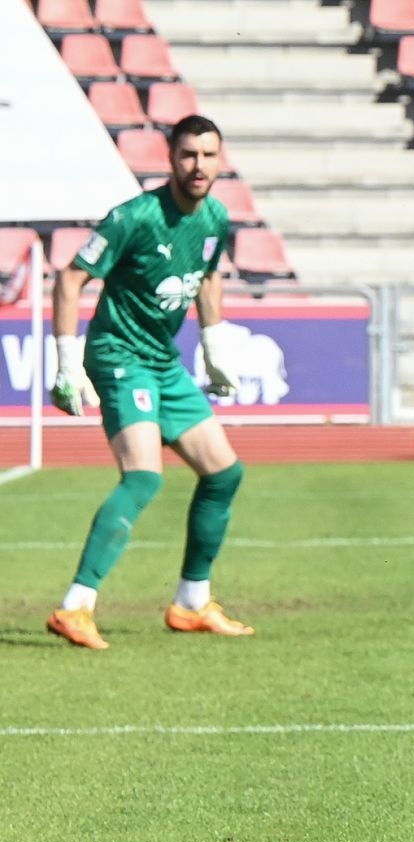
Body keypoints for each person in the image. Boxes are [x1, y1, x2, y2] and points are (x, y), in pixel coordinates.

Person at [46, 114, 250, 650]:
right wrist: (67, 361)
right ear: (171, 159)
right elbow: (70, 278)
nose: (198, 165)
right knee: (143, 478)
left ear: (220, 159)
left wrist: (213, 342)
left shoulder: (215, 219)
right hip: (119, 356)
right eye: (188, 155)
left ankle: (191, 602)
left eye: (208, 155)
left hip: (162, 361)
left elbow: (206, 275)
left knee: (224, 473)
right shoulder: (135, 217)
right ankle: (76, 607)